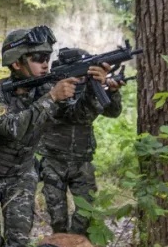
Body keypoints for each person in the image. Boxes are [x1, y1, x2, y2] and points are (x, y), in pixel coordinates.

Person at [0, 26, 109, 247]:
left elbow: (77, 116)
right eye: (38, 59)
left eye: (47, 58)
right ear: (16, 63)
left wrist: (94, 89)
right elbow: (13, 129)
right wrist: (51, 98)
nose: (45, 64)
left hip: (21, 176)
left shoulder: (44, 89)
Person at [37, 47, 124, 235]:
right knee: (58, 219)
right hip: (54, 161)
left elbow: (112, 112)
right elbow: (76, 114)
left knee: (85, 216)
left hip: (82, 161)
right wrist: (93, 88)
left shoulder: (86, 86)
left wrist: (112, 91)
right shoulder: (50, 89)